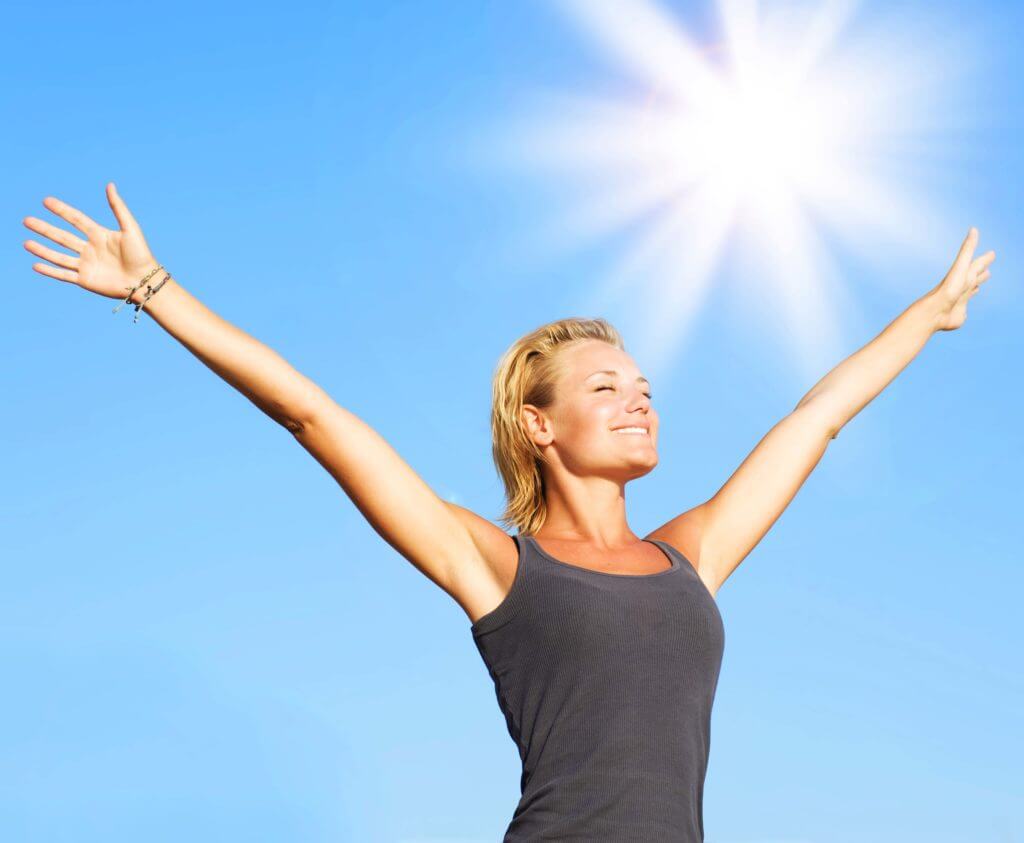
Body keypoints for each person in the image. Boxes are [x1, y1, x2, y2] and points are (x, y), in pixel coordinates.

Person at [22, 183, 996, 841]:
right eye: (606, 388)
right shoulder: (500, 565)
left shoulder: (691, 555)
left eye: (644, 385)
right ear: (538, 425)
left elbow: (813, 420)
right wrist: (152, 289)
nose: (639, 399)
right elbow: (312, 415)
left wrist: (928, 314)